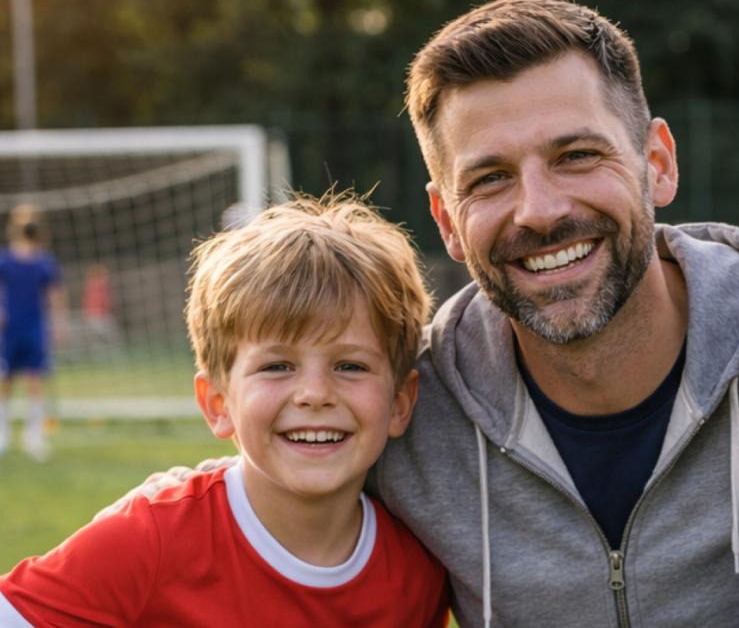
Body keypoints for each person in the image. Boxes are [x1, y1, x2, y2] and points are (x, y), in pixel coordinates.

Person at [107, 0, 739, 626]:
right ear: (447, 218)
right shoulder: (409, 403)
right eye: (491, 179)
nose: (541, 209)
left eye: (577, 155)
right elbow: (266, 460)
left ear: (656, 162)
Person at [0, 192, 449, 627]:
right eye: (277, 366)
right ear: (217, 404)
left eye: (350, 365)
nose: (315, 393)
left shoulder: (417, 575)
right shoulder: (147, 539)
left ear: (399, 402)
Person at [0, 204, 64, 461]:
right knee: (4, 381)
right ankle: (2, 436)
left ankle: (33, 436)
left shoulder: (44, 262)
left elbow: (54, 294)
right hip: (9, 329)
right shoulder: (4, 259)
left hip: (34, 328)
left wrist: (58, 324)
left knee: (34, 381)